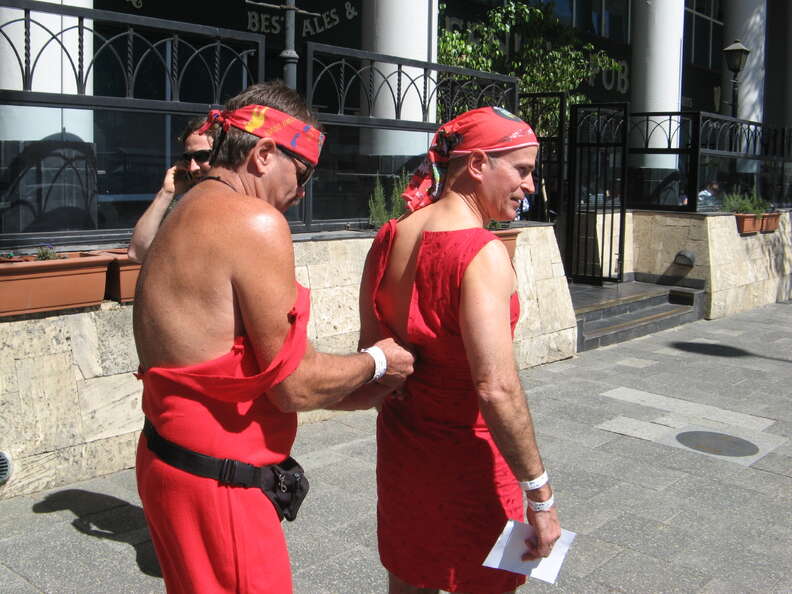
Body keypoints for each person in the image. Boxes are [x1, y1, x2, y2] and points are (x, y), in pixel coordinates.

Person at [133, 81, 414, 594]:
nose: (303, 191)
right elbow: (293, 386)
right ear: (263, 154)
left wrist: (359, 390)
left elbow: (236, 370)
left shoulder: (186, 208)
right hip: (218, 486)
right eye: (302, 172)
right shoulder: (255, 220)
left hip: (167, 463)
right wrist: (378, 361)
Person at [359, 106, 561, 594]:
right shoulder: (481, 252)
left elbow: (375, 354)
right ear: (476, 164)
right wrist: (540, 495)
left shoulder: (390, 236)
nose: (530, 186)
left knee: (410, 577)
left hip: (405, 450)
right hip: (470, 459)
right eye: (523, 169)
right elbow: (495, 387)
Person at [127, 118, 213, 263]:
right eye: (188, 158)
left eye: (201, 156)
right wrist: (166, 193)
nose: (193, 168)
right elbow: (137, 252)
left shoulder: (245, 202)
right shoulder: (183, 204)